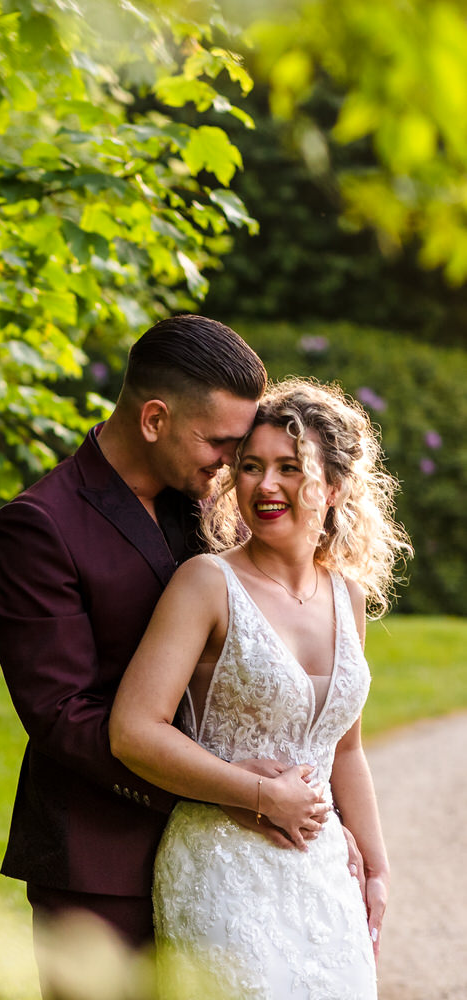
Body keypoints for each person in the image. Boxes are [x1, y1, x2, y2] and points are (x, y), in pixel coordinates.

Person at [0, 315, 326, 992]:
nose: (234, 467)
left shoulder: (201, 506)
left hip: (226, 867)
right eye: (221, 444)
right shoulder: (38, 526)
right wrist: (224, 787)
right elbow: (62, 714)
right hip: (98, 861)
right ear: (153, 419)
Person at [110, 378, 409, 997]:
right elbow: (133, 730)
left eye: (288, 468)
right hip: (222, 866)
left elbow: (344, 751)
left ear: (333, 488)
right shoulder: (206, 583)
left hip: (323, 871)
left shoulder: (347, 596)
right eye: (250, 467)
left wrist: (376, 868)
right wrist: (255, 793)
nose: (265, 485)